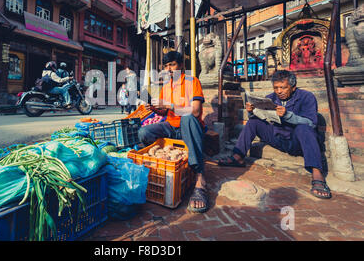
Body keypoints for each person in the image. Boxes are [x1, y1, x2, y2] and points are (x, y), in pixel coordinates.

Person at [215, 70, 331, 199]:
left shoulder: (306, 97)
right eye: (276, 87)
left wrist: (287, 115)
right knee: (253, 122)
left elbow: (311, 123)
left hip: (297, 141)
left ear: (293, 87)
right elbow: (263, 116)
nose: (279, 91)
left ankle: (317, 172)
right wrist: (252, 111)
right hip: (278, 137)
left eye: (283, 87)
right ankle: (238, 156)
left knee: (304, 128)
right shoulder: (271, 98)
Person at [138, 51, 209, 213]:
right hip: (171, 127)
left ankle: (200, 177)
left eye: (173, 65)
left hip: (189, 127)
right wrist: (157, 109)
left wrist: (169, 105)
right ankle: (156, 167)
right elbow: (165, 114)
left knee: (187, 118)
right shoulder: (167, 86)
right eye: (167, 66)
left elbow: (196, 112)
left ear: (181, 65)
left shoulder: (192, 82)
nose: (169, 69)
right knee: (144, 132)